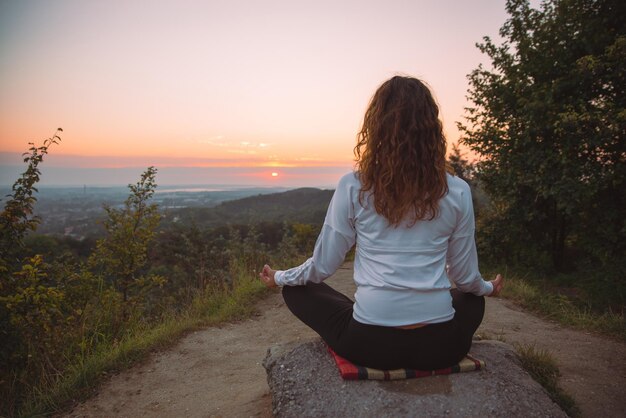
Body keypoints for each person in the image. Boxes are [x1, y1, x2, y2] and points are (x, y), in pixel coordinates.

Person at [259, 75, 504, 371]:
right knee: (472, 298)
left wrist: (280, 277)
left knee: (296, 289)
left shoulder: (353, 186)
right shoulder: (457, 191)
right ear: (433, 129)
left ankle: (371, 313)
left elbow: (322, 266)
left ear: (375, 127)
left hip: (370, 347)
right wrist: (488, 287)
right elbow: (466, 278)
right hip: (441, 347)